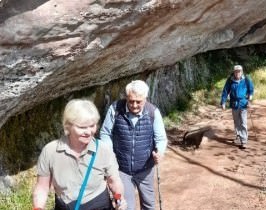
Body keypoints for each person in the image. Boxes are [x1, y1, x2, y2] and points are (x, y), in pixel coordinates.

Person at [32, 99, 127, 210]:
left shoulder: (103, 149)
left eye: (92, 126)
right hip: (64, 206)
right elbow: (42, 187)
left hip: (98, 205)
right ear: (68, 126)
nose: (88, 132)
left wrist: (119, 199)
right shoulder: (50, 151)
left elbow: (114, 181)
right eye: (82, 127)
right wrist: (38, 207)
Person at [100, 80, 168, 210]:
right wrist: (110, 155)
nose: (134, 105)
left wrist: (160, 151)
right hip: (122, 169)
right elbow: (105, 133)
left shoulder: (153, 112)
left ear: (145, 99)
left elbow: (161, 138)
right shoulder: (115, 109)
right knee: (125, 206)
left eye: (139, 101)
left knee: (149, 205)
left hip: (145, 168)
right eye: (131, 101)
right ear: (126, 97)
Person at [220, 65, 254, 149]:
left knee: (243, 122)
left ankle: (244, 141)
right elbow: (225, 91)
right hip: (234, 103)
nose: (237, 73)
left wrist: (250, 96)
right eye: (236, 71)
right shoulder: (230, 80)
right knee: (236, 122)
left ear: (241, 72)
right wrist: (223, 102)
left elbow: (251, 89)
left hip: (243, 103)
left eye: (239, 71)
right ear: (234, 72)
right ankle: (238, 136)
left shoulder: (246, 79)